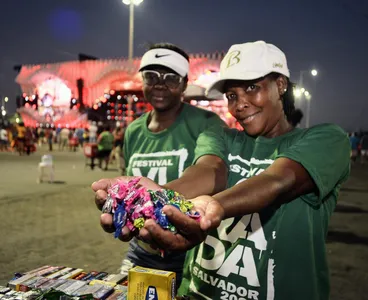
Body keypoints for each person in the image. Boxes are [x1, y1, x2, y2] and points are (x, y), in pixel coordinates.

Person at [93, 41, 351, 299]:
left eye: (252, 87)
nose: (240, 104)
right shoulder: (220, 135)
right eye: (232, 95)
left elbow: (279, 180)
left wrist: (214, 206)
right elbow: (210, 170)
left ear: (281, 84)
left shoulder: (327, 139)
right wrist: (155, 198)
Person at [95, 42, 225, 285]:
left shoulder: (206, 123)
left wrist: (156, 198)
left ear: (185, 83)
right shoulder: (133, 131)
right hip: (141, 250)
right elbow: (127, 182)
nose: (160, 85)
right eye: (152, 76)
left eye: (170, 78)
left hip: (193, 254)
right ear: (142, 80)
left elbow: (214, 170)